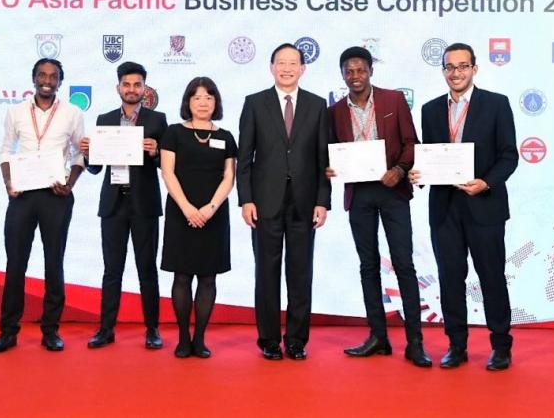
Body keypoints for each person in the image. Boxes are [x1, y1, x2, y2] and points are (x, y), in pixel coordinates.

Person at [409, 42, 518, 371]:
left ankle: (501, 345)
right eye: (450, 67)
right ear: (443, 71)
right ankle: (457, 345)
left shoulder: (496, 105)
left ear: (474, 69)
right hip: (444, 209)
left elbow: (508, 156)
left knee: (491, 277)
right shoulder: (429, 110)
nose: (455, 73)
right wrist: (419, 174)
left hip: (484, 205)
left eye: (462, 66)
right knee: (450, 277)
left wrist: (485, 182)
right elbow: (430, 156)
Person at [326, 46, 431, 367]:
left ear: (371, 70)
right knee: (368, 265)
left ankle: (415, 342)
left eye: (360, 70)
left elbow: (412, 142)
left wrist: (398, 169)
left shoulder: (393, 100)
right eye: (349, 71)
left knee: (403, 263)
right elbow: (331, 151)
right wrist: (329, 167)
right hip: (359, 195)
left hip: (393, 191)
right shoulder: (334, 112)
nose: (355, 76)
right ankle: (378, 337)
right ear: (342, 75)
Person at [237, 43, 330, 361]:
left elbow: (322, 158)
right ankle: (268, 339)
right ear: (271, 67)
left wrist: (323, 200)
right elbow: (244, 157)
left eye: (293, 63)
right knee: (267, 271)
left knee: (301, 272)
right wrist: (245, 198)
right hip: (264, 202)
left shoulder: (318, 106)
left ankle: (296, 339)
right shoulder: (255, 103)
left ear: (303, 68)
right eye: (281, 63)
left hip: (305, 203)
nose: (287, 68)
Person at [0, 58, 85, 353]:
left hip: (56, 195)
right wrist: (8, 183)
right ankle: (8, 331)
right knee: (15, 263)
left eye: (53, 76)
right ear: (33, 79)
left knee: (54, 262)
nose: (47, 80)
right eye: (42, 75)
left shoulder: (73, 113)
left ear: (60, 81)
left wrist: (70, 183)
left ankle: (51, 330)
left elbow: (80, 154)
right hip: (22, 195)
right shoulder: (15, 111)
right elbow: (6, 150)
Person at [80, 61, 167, 350]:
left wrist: (156, 153)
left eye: (137, 85)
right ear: (118, 87)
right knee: (111, 269)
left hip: (144, 203)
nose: (132, 89)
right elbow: (94, 168)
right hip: (113, 203)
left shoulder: (157, 120)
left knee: (147, 269)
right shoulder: (104, 119)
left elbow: (167, 165)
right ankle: (106, 329)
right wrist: (88, 153)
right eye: (126, 84)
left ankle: (153, 329)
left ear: (145, 88)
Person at [160, 77, 237, 358]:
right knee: (182, 276)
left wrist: (210, 207)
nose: (203, 102)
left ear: (215, 102)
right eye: (197, 97)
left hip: (214, 214)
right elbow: (168, 172)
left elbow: (229, 177)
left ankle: (200, 339)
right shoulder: (173, 133)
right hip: (181, 212)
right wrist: (188, 208)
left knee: (208, 278)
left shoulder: (225, 136)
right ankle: (183, 338)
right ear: (187, 102)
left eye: (209, 97)